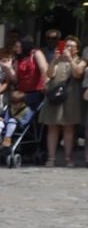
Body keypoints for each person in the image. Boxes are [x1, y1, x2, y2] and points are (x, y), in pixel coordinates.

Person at [41, 36, 85, 167]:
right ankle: (51, 158)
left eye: (71, 46)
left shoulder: (80, 60)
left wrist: (70, 60)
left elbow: (78, 73)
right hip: (55, 96)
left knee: (69, 129)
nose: (68, 48)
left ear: (77, 49)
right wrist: (54, 60)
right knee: (52, 127)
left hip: (71, 97)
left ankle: (68, 158)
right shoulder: (57, 59)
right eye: (66, 45)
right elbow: (49, 74)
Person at [11, 37, 49, 122]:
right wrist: (8, 68)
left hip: (36, 90)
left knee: (26, 110)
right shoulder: (18, 58)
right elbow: (16, 79)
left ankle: (19, 123)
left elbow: (44, 69)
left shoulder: (36, 53)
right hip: (22, 91)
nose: (15, 49)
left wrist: (46, 83)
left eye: (18, 46)